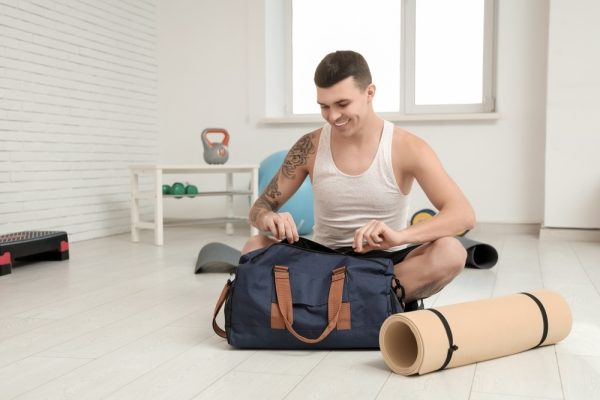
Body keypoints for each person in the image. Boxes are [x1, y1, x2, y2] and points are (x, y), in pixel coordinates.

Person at [243, 50, 475, 307]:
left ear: (370, 93)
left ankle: (325, 301)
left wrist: (400, 236)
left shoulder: (407, 147)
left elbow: (463, 214)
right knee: (255, 247)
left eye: (342, 104)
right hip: (324, 260)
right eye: (324, 106)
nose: (332, 116)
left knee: (451, 253)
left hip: (386, 263)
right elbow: (259, 207)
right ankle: (369, 301)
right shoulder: (309, 146)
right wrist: (269, 217)